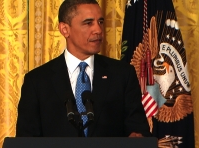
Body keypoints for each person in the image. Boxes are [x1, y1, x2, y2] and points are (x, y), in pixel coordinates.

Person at [16, 0, 151, 137]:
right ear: (65, 29)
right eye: (88, 23)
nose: (98, 30)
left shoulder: (122, 75)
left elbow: (139, 130)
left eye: (100, 22)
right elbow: (26, 139)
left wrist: (138, 137)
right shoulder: (37, 81)